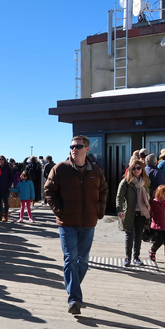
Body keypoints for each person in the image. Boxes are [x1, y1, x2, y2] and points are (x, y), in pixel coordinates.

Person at [44, 135, 108, 315]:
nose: (74, 149)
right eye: (72, 146)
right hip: (67, 222)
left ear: (87, 149)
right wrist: (58, 210)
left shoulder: (95, 170)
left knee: (83, 260)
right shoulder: (60, 169)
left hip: (88, 221)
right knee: (70, 258)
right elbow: (49, 190)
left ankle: (73, 289)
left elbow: (104, 190)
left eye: (78, 146)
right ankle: (74, 299)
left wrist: (100, 210)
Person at [116, 157, 151, 267]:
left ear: (142, 169)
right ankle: (128, 257)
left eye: (138, 168)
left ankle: (136, 257)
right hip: (129, 212)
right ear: (130, 170)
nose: (136, 170)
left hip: (141, 212)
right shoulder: (126, 182)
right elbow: (119, 196)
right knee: (129, 235)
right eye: (134, 168)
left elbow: (149, 196)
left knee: (139, 236)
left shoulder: (145, 182)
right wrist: (119, 210)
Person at [0, 155, 13, 222]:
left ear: (4, 160)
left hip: (6, 188)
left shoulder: (8, 168)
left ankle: (6, 217)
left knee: (5, 202)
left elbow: (12, 178)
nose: (1, 160)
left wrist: (8, 186)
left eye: (2, 159)